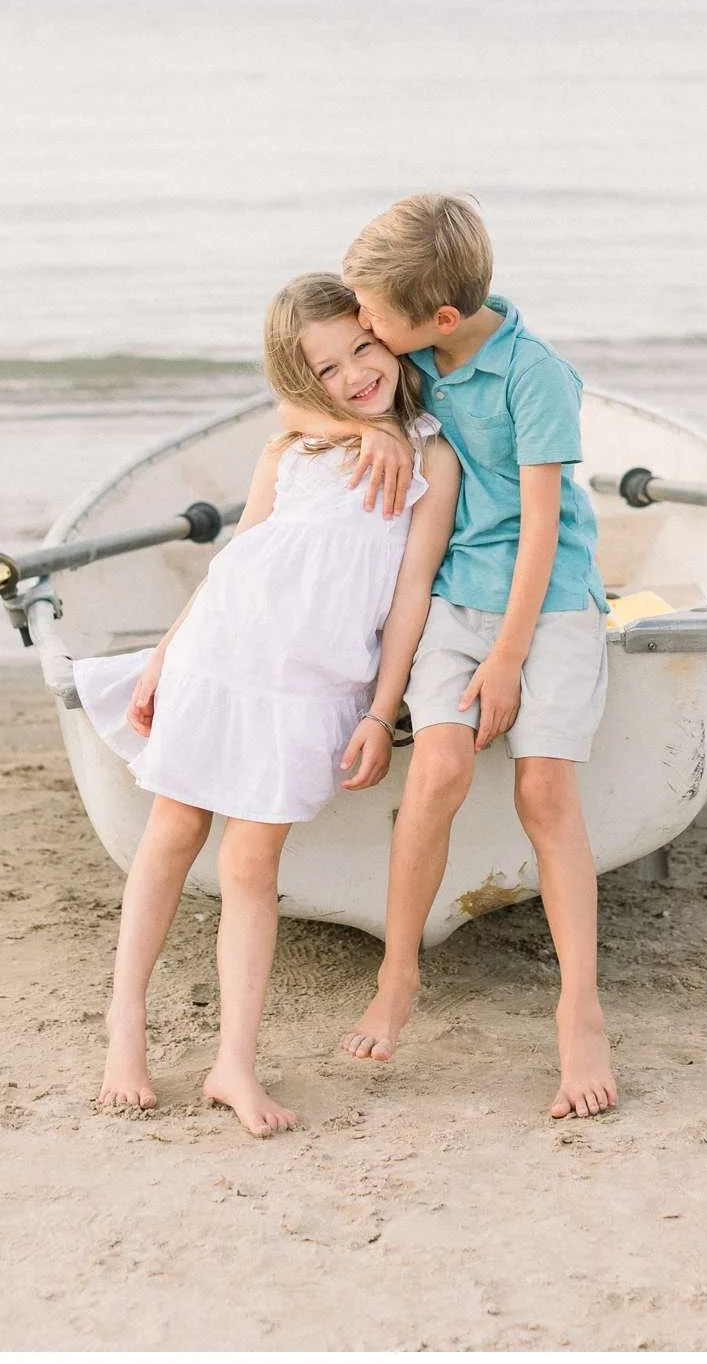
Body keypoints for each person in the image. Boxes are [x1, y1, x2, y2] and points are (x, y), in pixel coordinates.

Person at [73, 273, 459, 1138]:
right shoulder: (290, 449)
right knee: (172, 830)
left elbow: (411, 595)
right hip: (220, 655)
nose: (357, 373)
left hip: (308, 685)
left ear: (387, 339)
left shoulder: (433, 458)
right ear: (300, 380)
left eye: (364, 348)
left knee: (253, 868)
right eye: (327, 369)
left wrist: (378, 710)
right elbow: (237, 561)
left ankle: (232, 1065)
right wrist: (167, 654)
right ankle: (124, 1024)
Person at [281, 195, 616, 1119]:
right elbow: (292, 393)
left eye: (371, 319)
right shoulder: (418, 354)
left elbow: (544, 528)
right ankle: (399, 976)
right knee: (437, 768)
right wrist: (374, 428)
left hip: (547, 604)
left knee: (543, 788)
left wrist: (507, 658)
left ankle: (579, 1010)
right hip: (457, 595)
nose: (363, 331)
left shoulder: (535, 376)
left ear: (433, 319)